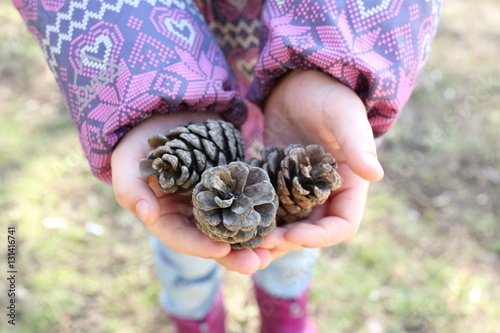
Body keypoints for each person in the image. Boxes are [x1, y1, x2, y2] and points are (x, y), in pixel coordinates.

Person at [14, 0, 443, 332]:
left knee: (298, 233)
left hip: (310, 120)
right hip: (183, 102)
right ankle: (194, 316)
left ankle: (285, 309)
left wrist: (335, 61)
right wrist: (146, 85)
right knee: (183, 241)